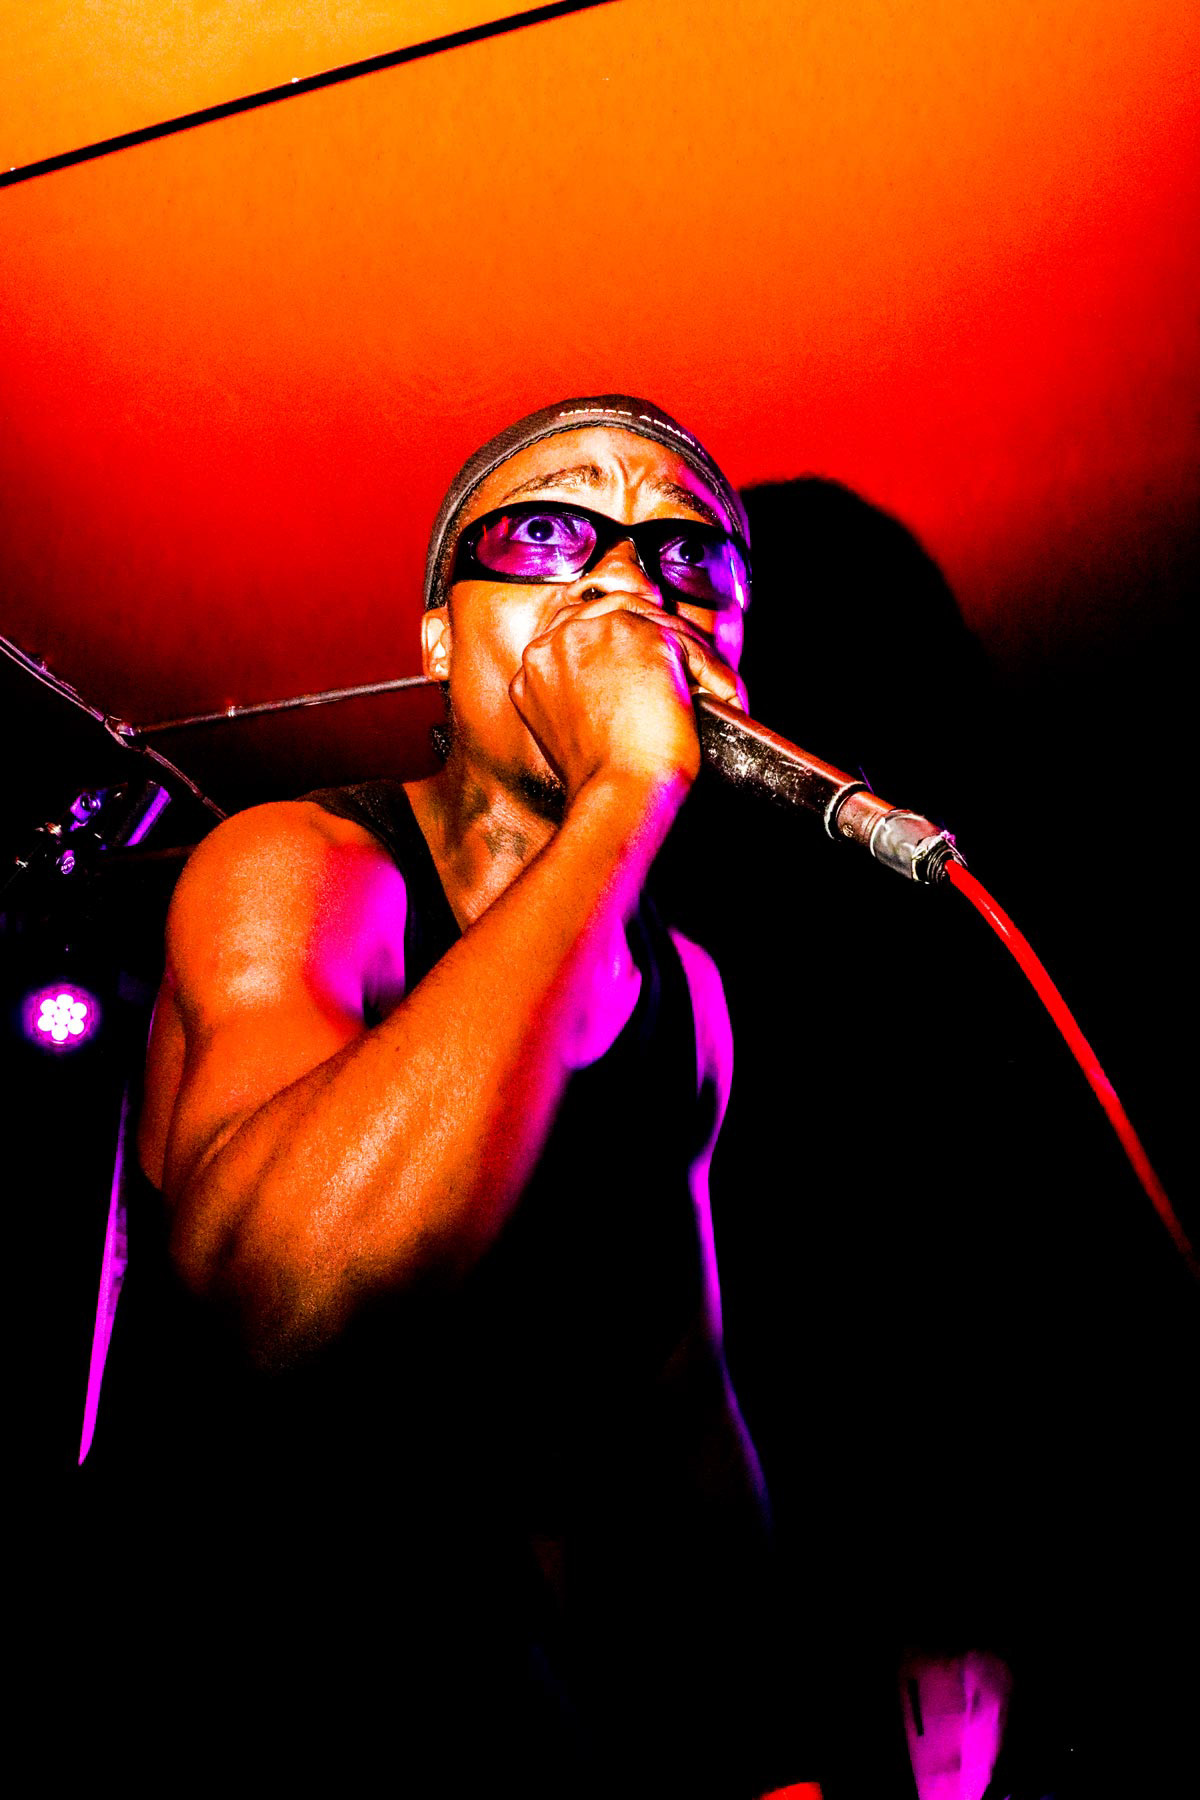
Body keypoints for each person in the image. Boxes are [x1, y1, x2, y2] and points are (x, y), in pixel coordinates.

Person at [90, 397, 821, 1797]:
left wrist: (770, 1742)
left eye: (685, 554)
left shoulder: (691, 997)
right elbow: (278, 1307)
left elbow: (681, 1392)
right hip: (224, 1681)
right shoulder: (299, 866)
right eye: (546, 532)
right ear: (438, 637)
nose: (625, 580)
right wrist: (625, 793)